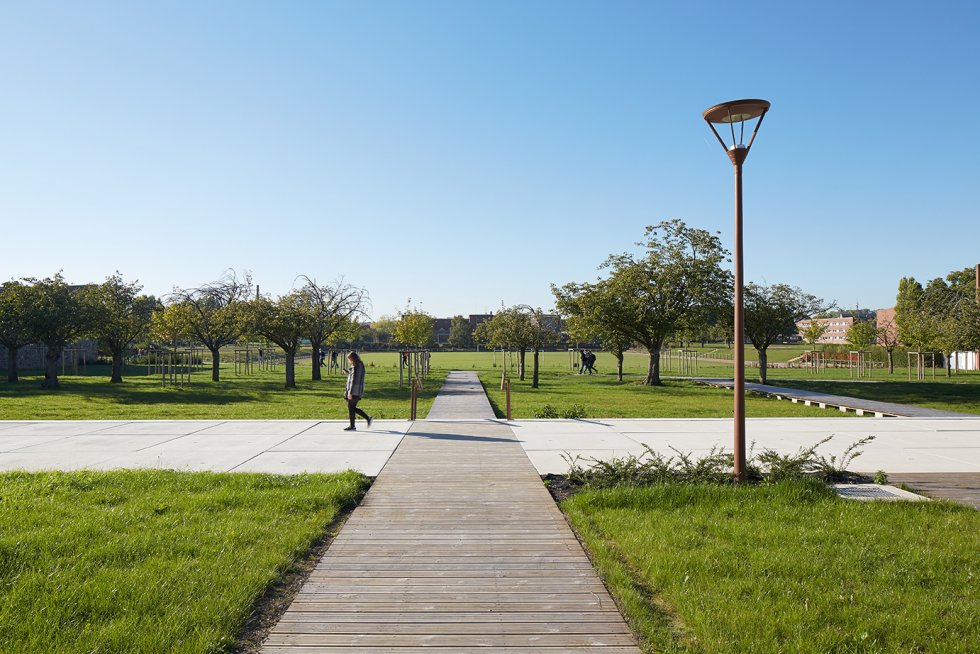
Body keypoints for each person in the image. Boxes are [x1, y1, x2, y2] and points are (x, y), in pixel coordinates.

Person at [343, 351, 373, 431]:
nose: (349, 360)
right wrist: (348, 372)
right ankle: (366, 419)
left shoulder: (355, 366)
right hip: (358, 390)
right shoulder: (360, 365)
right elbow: (355, 375)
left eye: (349, 359)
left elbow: (354, 379)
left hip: (354, 390)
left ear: (353, 358)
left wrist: (350, 392)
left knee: (351, 407)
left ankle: (355, 424)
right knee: (352, 408)